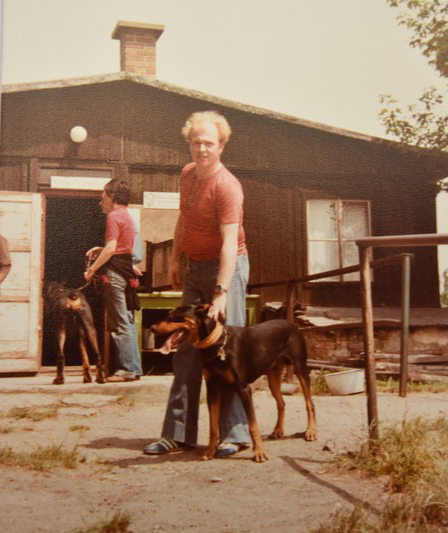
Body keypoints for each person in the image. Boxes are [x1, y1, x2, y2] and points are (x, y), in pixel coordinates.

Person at [143, 111, 251, 458]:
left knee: (226, 349)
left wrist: (221, 294)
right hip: (194, 267)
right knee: (186, 349)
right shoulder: (187, 174)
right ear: (189, 144)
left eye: (208, 143)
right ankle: (177, 434)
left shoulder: (227, 186)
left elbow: (229, 243)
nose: (202, 149)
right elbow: (184, 219)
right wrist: (175, 259)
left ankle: (234, 434)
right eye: (196, 142)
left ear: (221, 146)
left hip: (227, 270)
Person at [84, 179, 142, 382]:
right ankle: (134, 368)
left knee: (119, 323)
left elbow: (111, 249)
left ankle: (126, 369)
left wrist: (91, 269)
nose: (101, 201)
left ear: (112, 197)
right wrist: (101, 249)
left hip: (115, 274)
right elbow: (122, 248)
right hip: (125, 271)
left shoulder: (113, 216)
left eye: (103, 196)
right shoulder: (127, 215)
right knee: (126, 320)